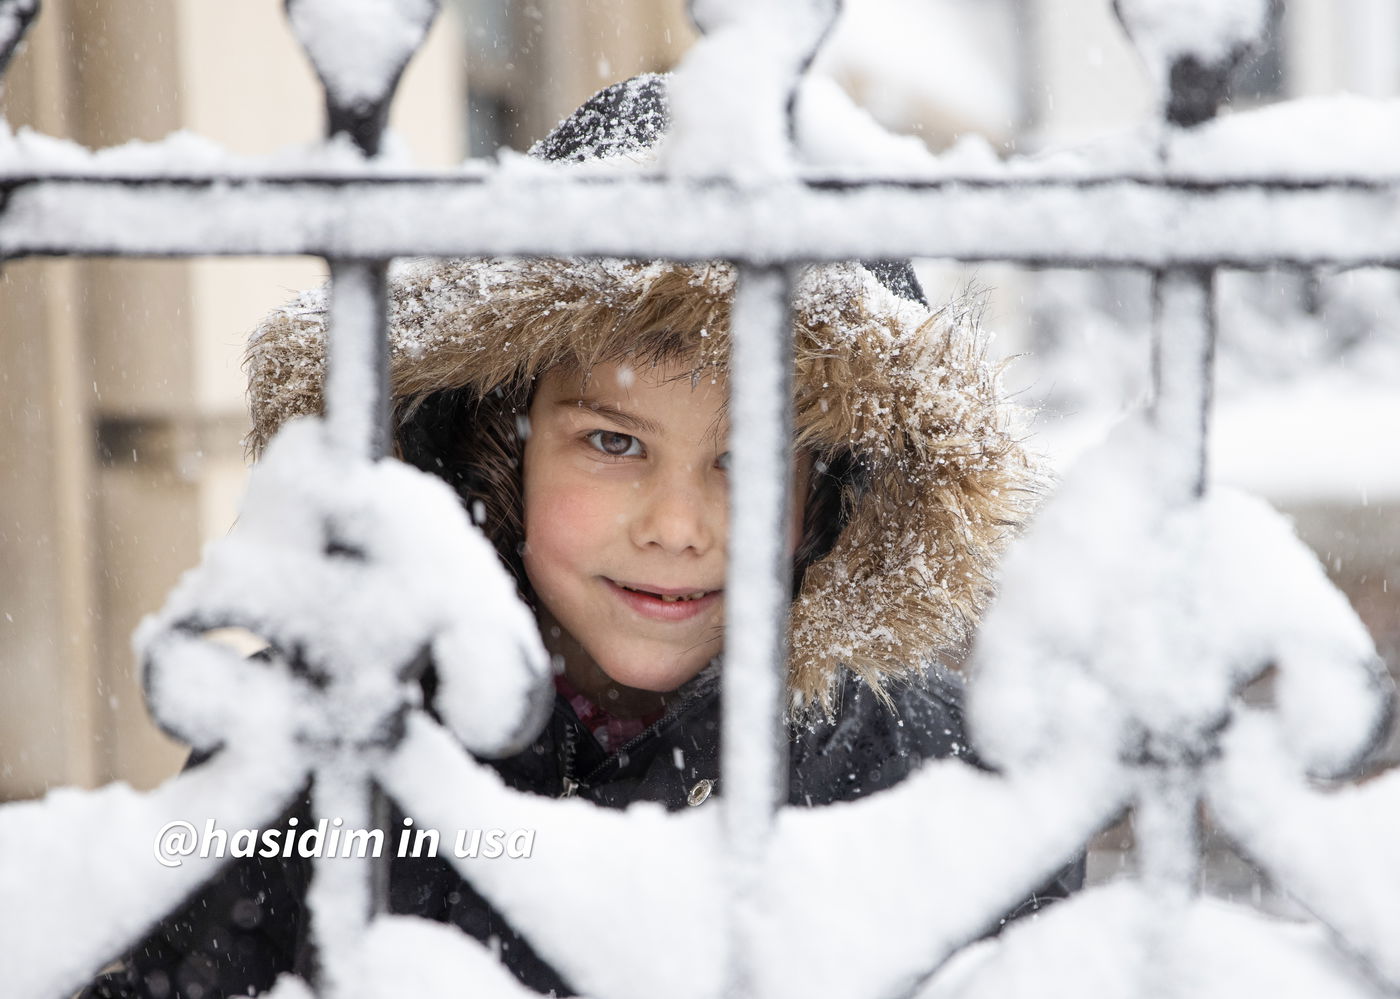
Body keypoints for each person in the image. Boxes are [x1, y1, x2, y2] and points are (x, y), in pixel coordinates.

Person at [84, 76, 1081, 999]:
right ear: (494, 447)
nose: (678, 526)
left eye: (750, 458)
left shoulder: (951, 784)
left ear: (834, 489)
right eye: (613, 441)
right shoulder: (312, 744)